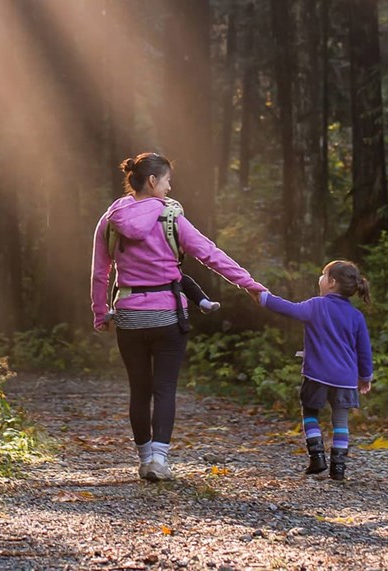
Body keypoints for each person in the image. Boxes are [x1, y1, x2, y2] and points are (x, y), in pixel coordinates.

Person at [91, 152, 267, 482]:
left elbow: (100, 272)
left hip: (129, 315)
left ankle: (144, 460)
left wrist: (101, 312)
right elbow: (211, 255)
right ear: (153, 181)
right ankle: (159, 459)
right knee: (165, 388)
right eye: (168, 180)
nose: (170, 187)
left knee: (139, 389)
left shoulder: (110, 218)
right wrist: (249, 285)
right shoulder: (171, 217)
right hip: (168, 315)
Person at [257, 260, 373, 480]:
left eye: (323, 275)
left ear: (331, 282)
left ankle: (317, 456)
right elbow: (364, 351)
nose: (319, 279)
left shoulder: (316, 306)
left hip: (317, 374)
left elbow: (288, 308)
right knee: (341, 421)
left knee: (310, 412)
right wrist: (365, 377)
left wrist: (263, 297)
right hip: (346, 379)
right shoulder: (357, 316)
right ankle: (338, 467)